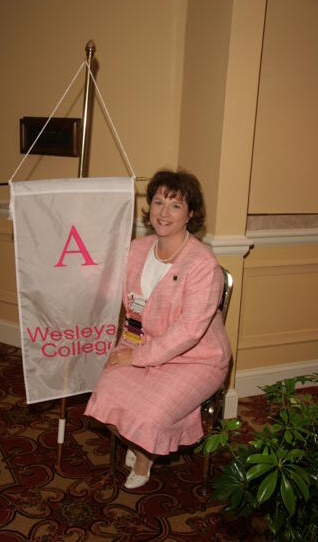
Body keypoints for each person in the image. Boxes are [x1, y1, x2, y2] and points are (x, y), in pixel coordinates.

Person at [84, 169, 231, 489]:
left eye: (175, 205)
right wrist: (124, 349)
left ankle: (144, 454)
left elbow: (190, 331)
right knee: (106, 392)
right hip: (143, 342)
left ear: (191, 213)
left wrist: (136, 357)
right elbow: (132, 310)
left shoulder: (202, 263)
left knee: (150, 413)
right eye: (158, 201)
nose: (164, 212)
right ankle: (139, 443)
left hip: (197, 358)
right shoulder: (137, 249)